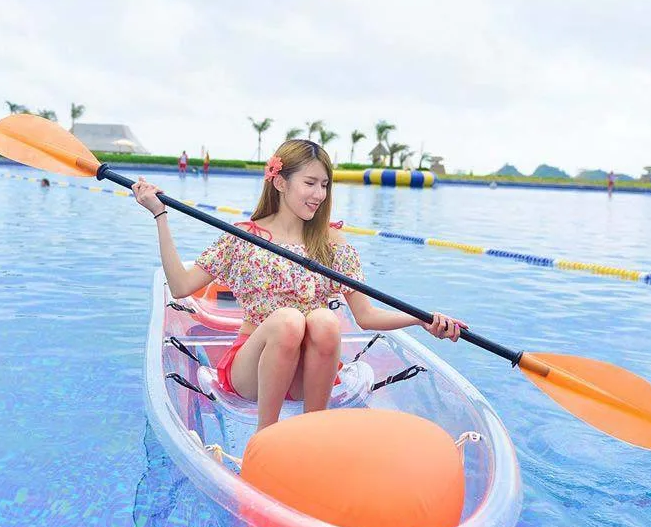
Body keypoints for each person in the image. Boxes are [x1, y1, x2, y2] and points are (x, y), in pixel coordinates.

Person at [132, 139, 465, 432]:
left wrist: (421, 320)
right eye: (310, 183)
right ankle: (266, 437)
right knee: (289, 320)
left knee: (323, 321)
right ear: (279, 182)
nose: (319, 194)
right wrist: (160, 215)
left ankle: (312, 434)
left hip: (311, 374)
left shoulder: (333, 243)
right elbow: (180, 286)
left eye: (325, 185)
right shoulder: (243, 236)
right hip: (253, 371)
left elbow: (366, 317)